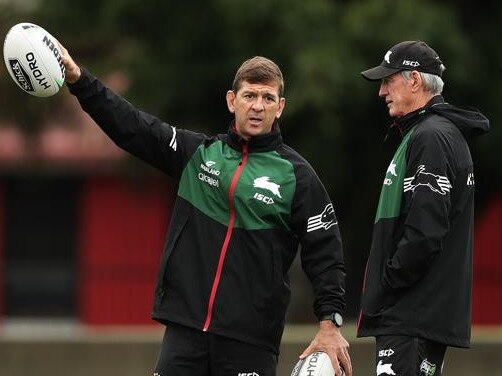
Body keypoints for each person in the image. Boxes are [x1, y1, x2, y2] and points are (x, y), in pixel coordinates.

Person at [60, 46, 352, 376]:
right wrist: (78, 79)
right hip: (185, 332)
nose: (258, 106)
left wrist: (330, 324)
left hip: (250, 341)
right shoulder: (198, 154)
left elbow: (326, 253)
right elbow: (131, 126)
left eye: (268, 98)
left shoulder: (298, 176)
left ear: (280, 107)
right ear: (232, 100)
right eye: (250, 95)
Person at [357, 40, 490, 375]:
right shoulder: (430, 133)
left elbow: (425, 232)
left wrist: (388, 282)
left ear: (414, 80)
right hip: (414, 316)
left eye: (388, 81)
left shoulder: (431, 136)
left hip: (411, 315)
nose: (381, 91)